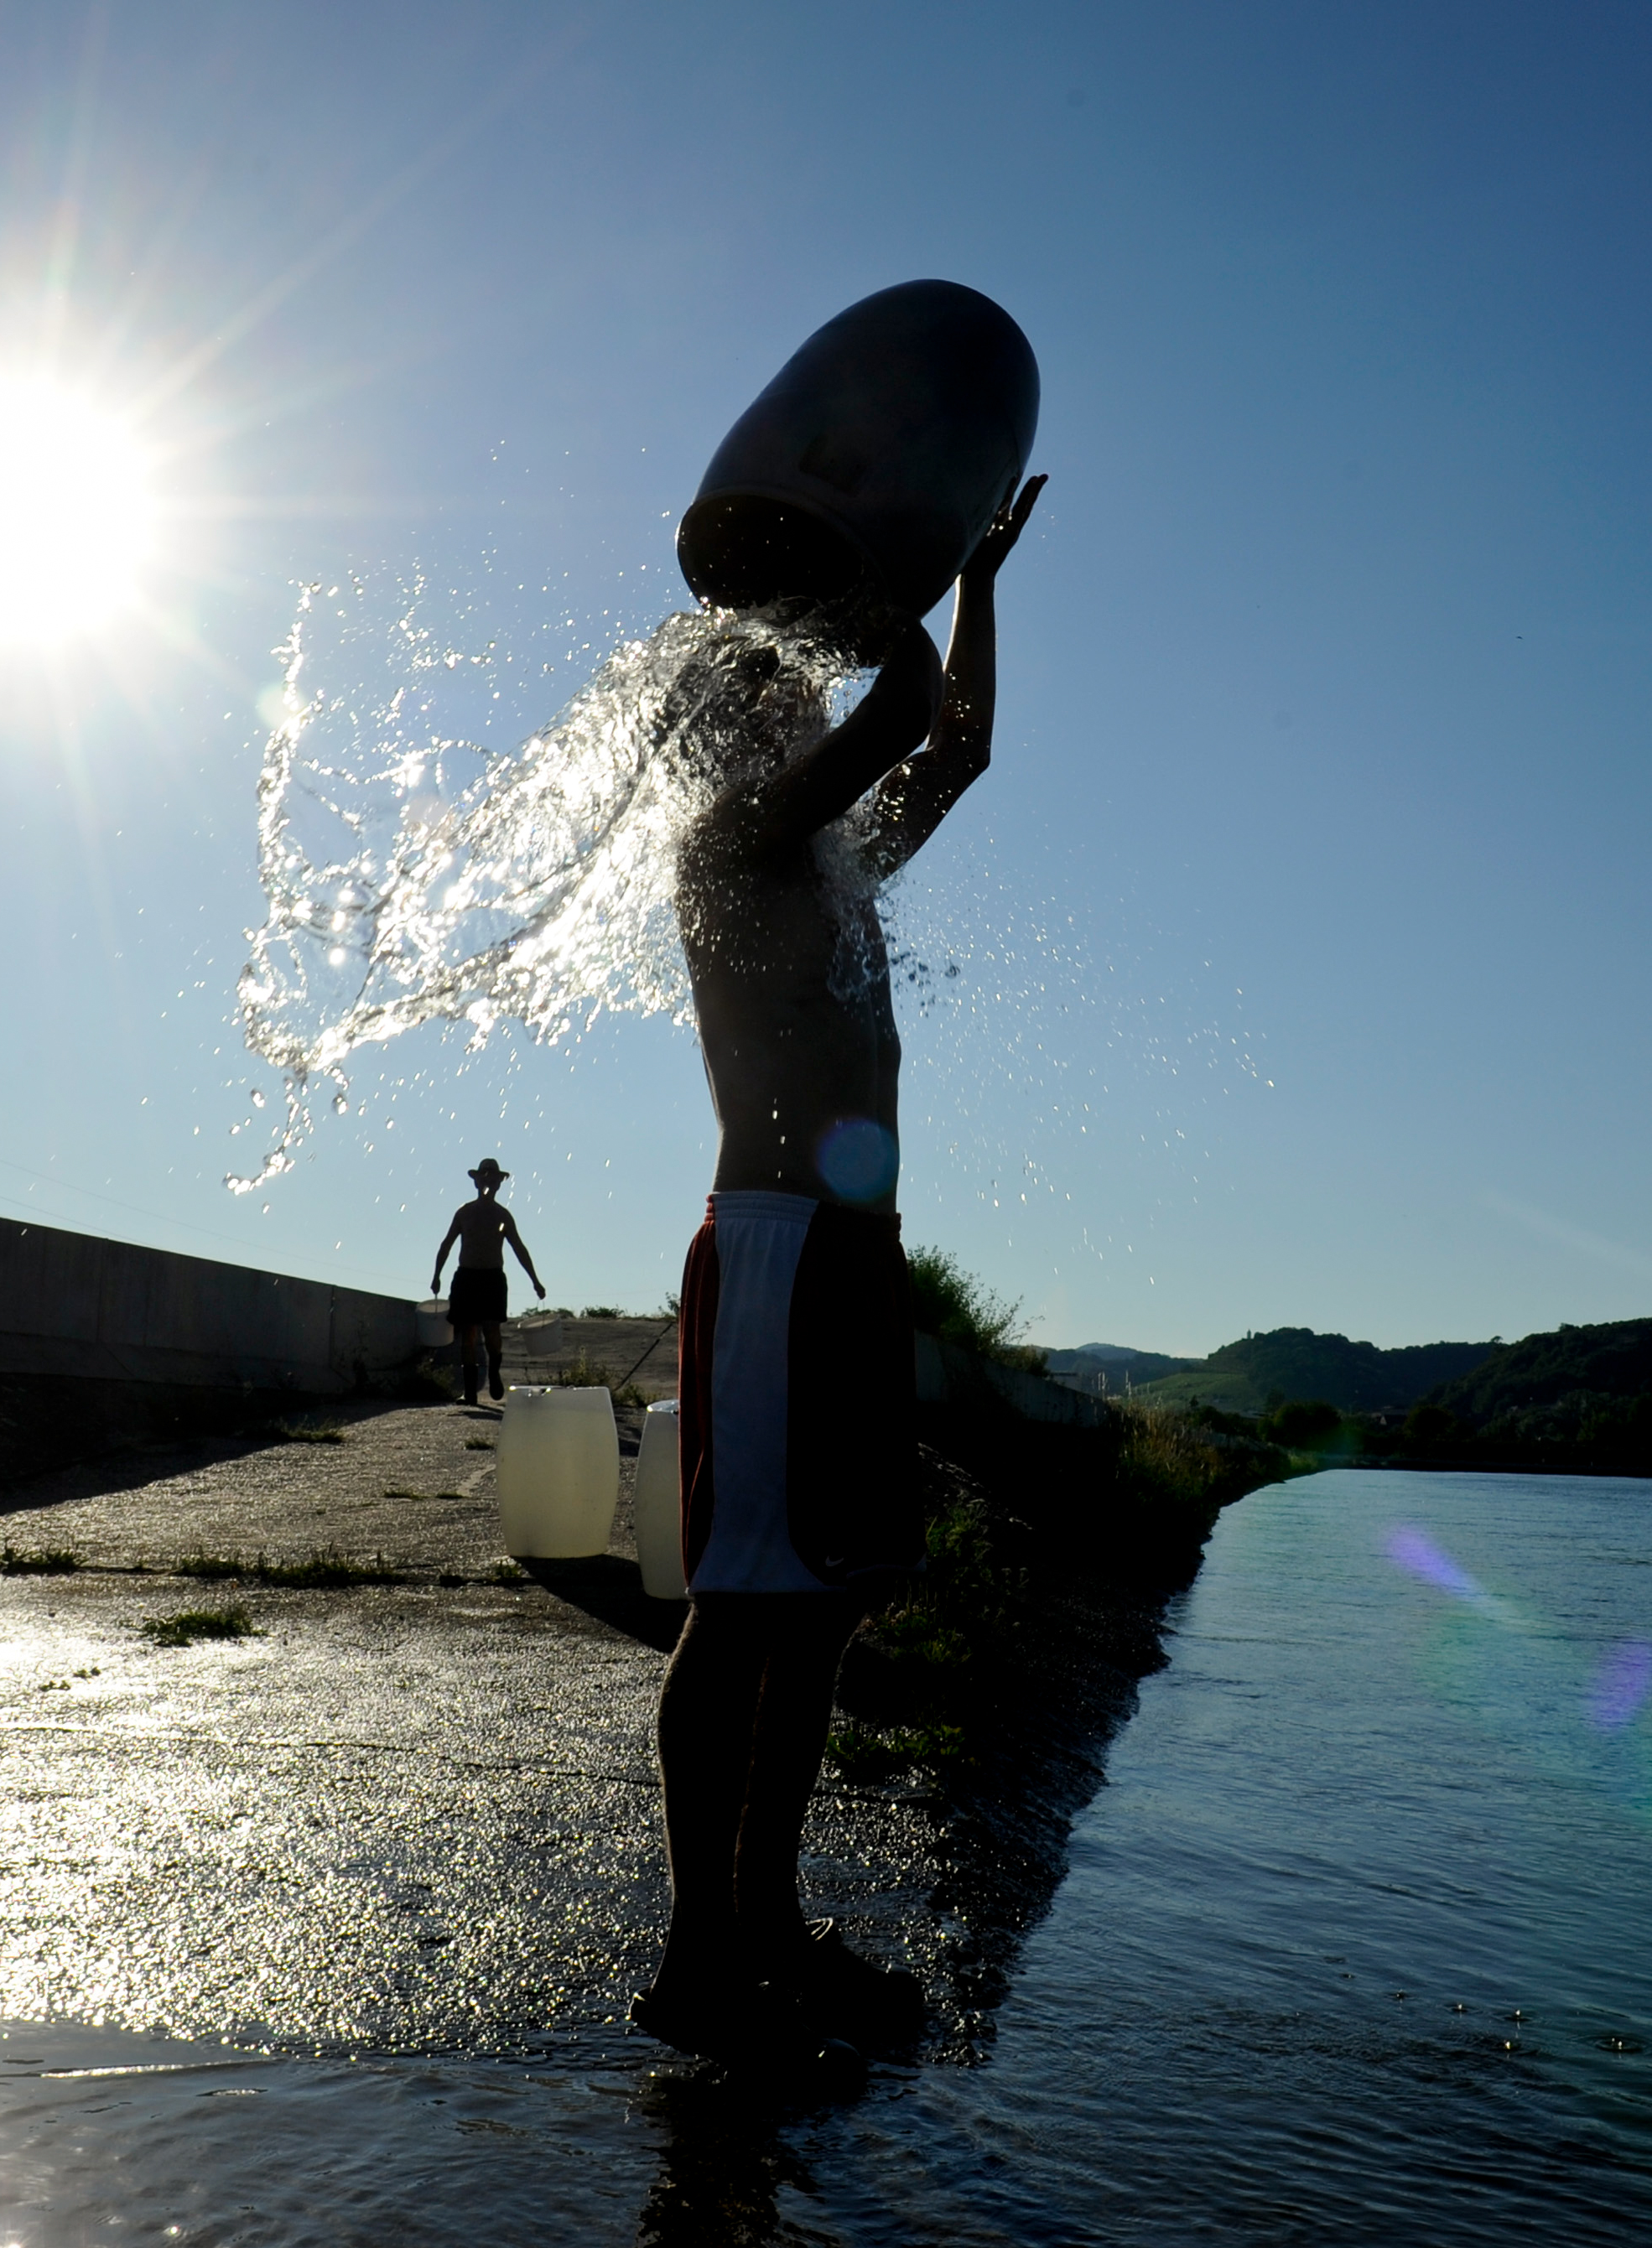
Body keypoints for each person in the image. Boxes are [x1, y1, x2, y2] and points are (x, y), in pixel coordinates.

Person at [635, 474, 1048, 2075]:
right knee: (741, 1610)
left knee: (811, 1613)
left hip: (852, 1260)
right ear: (725, 733)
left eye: (794, 685)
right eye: (775, 692)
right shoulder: (731, 842)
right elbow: (905, 704)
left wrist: (979, 584)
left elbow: (959, 744)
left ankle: (766, 1918)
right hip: (776, 1251)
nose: (798, 706)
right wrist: (886, 584)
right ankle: (696, 1947)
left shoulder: (834, 867)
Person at [429, 1157, 545, 1405]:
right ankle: (470, 1392)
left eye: (493, 1177)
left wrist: (535, 1280)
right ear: (477, 1181)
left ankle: (494, 1372)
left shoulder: (502, 1215)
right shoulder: (464, 1212)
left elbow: (519, 1249)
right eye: (484, 1176)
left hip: (492, 1278)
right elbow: (446, 1244)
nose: (488, 1180)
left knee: (492, 1330)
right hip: (467, 1277)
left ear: (498, 1183)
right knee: (468, 1334)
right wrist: (436, 1275)